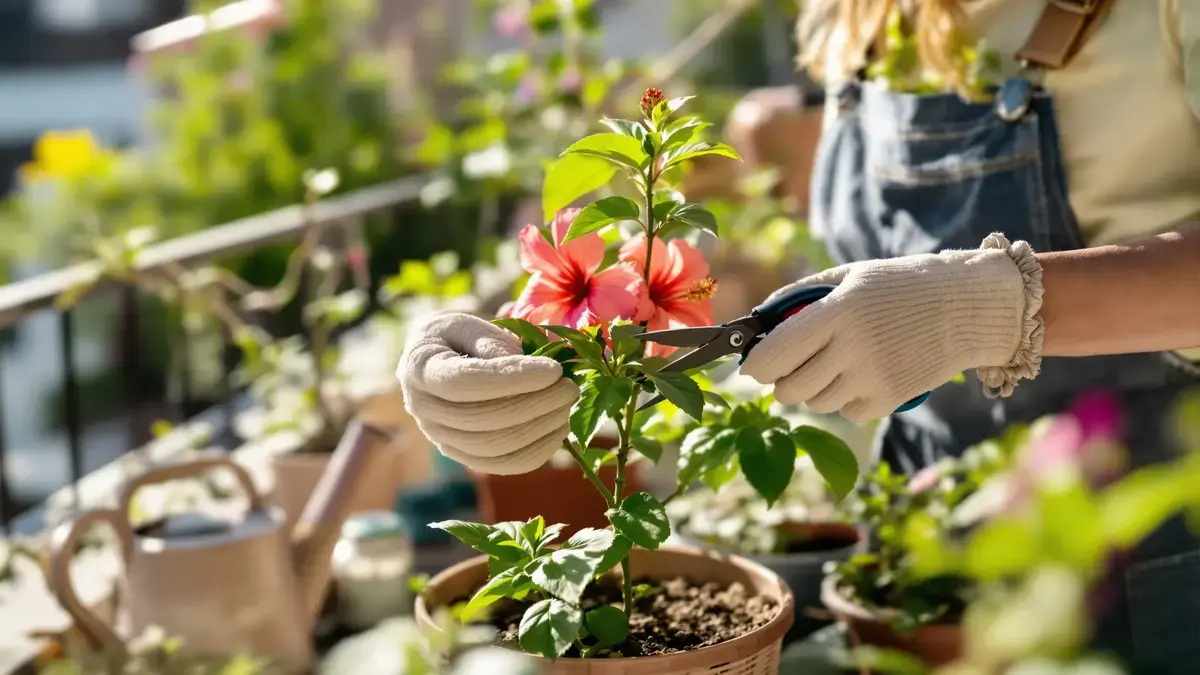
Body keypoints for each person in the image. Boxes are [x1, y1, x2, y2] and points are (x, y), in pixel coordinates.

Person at [398, 1, 1200, 670]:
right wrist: (517, 338)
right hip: (923, 552)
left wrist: (986, 307)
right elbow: (736, 253)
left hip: (1152, 559)